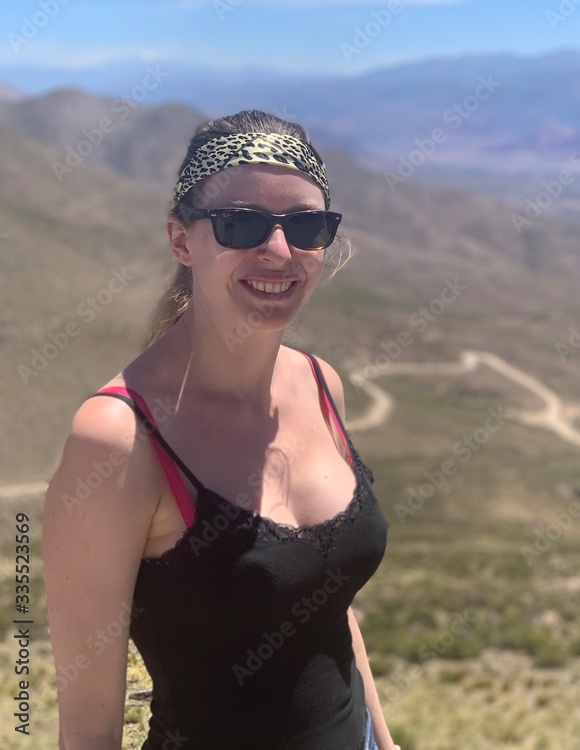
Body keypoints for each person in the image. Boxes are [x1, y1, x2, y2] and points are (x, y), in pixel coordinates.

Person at [42, 110, 399, 750]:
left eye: (305, 226)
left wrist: (385, 739)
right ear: (181, 240)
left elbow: (326, 600)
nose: (280, 251)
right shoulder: (121, 439)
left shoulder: (322, 385)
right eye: (242, 224)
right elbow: (89, 733)